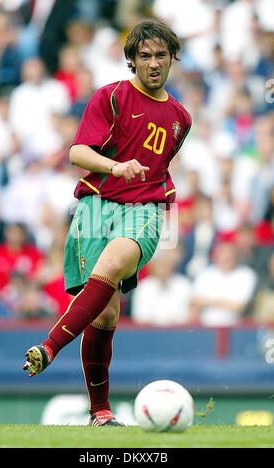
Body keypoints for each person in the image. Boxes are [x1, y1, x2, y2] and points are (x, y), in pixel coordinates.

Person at [23, 19, 192, 426]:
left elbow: (160, 168)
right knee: (106, 317)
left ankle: (49, 346)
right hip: (96, 208)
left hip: (146, 210)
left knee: (115, 264)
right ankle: (100, 413)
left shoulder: (181, 118)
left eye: (161, 55)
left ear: (172, 59)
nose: (154, 63)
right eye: (145, 56)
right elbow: (78, 152)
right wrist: (116, 167)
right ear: (132, 60)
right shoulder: (111, 96)